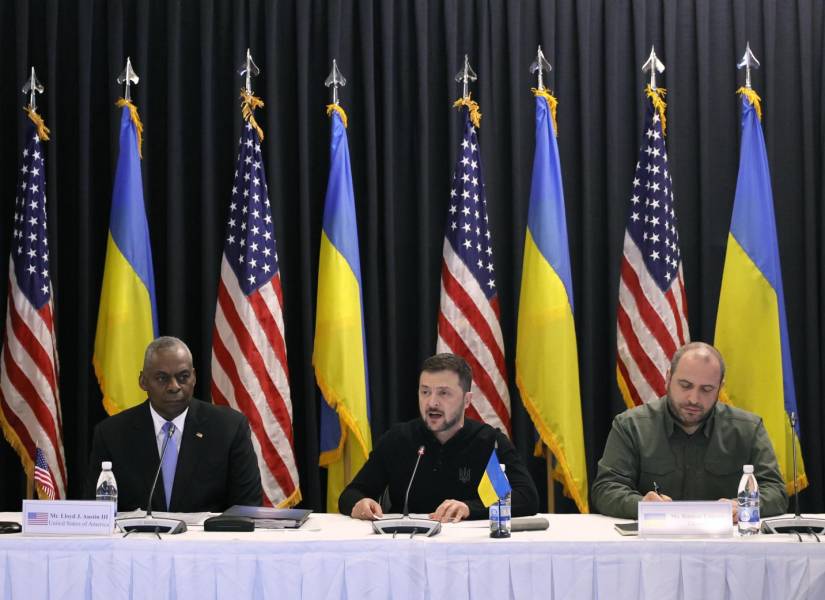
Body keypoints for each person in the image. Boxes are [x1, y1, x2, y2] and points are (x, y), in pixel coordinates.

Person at [591, 341, 788, 520]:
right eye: (685, 385)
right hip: (653, 545)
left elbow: (776, 491)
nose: (694, 398)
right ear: (668, 378)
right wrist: (641, 505)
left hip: (725, 547)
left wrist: (744, 505)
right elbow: (606, 488)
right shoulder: (631, 426)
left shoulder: (748, 429)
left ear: (720, 388)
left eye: (706, 389)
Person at [339, 353, 538, 522]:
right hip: (406, 548)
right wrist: (360, 504)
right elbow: (351, 494)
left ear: (466, 400)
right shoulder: (399, 440)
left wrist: (470, 508)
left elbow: (526, 497)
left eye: (444, 393)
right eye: (425, 392)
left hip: (468, 551)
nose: (432, 402)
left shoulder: (487, 443)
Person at [84, 336, 262, 512]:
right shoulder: (111, 434)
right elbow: (97, 510)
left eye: (183, 377)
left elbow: (247, 507)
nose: (174, 386)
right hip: (138, 539)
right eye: (162, 378)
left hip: (206, 540)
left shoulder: (228, 428)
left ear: (194, 377)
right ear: (143, 381)